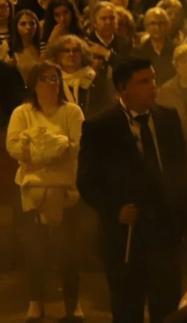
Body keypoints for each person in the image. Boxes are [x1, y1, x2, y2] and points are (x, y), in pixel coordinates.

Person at [77, 57, 187, 323]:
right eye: (143, 82)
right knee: (127, 306)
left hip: (165, 230)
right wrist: (115, 209)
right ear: (122, 89)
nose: (153, 86)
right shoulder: (100, 127)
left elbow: (183, 173)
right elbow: (86, 182)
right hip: (127, 234)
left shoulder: (167, 118)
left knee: (166, 304)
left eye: (153, 79)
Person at [6, 62, 84, 322]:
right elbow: (15, 146)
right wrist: (52, 146)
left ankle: (72, 302)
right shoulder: (22, 112)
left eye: (55, 78)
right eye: (45, 78)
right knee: (35, 248)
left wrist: (39, 147)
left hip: (65, 189)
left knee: (69, 250)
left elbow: (74, 148)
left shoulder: (72, 112)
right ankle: (35, 300)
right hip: (31, 188)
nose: (52, 83)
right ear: (34, 83)